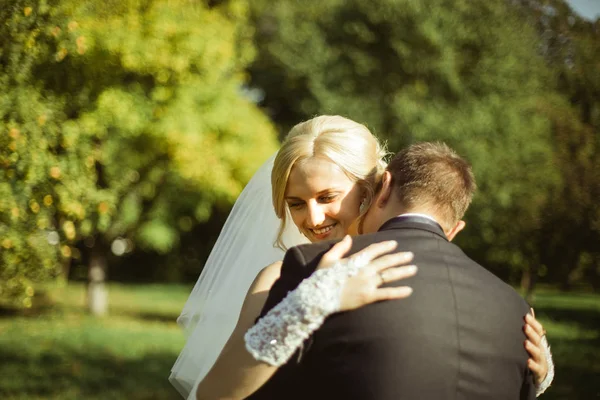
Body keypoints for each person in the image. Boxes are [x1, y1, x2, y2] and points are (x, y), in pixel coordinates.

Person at [170, 116, 553, 399]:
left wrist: (532, 378)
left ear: (373, 188)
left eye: (326, 197)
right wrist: (308, 304)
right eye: (296, 203)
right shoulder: (282, 276)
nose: (312, 219)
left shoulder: (435, 275)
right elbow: (216, 394)